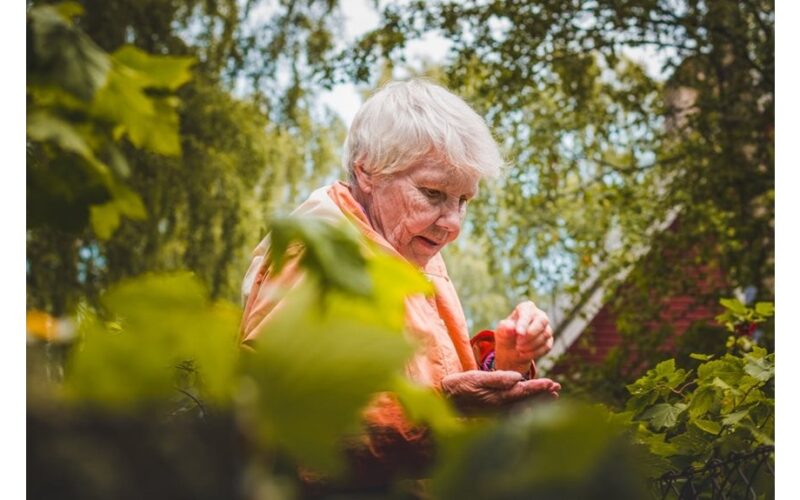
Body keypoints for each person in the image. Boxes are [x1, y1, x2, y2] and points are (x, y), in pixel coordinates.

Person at [239, 79, 560, 490]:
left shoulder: (407, 248)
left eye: (464, 200)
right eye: (432, 193)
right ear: (367, 170)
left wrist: (503, 363)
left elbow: (431, 378)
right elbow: (277, 432)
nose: (453, 224)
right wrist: (438, 415)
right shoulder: (318, 257)